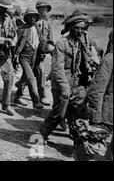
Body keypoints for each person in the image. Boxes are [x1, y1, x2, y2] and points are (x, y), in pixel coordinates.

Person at [40, 14, 89, 143]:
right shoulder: (62, 43)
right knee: (59, 113)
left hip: (76, 83)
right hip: (61, 83)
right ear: (70, 28)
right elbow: (57, 68)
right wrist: (65, 87)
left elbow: (84, 62)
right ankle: (42, 134)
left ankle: (76, 136)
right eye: (77, 28)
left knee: (79, 110)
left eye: (82, 29)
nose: (80, 31)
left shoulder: (81, 42)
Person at [78, 30, 113, 161]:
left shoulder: (109, 59)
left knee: (92, 149)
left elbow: (96, 91)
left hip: (106, 114)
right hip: (107, 114)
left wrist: (95, 117)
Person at [13, 8, 44, 109]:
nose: (32, 18)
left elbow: (41, 41)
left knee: (25, 77)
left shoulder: (37, 28)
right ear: (26, 18)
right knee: (31, 78)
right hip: (24, 56)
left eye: (34, 16)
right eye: (29, 16)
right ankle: (36, 101)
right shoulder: (22, 29)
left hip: (34, 55)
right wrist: (15, 57)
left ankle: (18, 95)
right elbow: (16, 44)